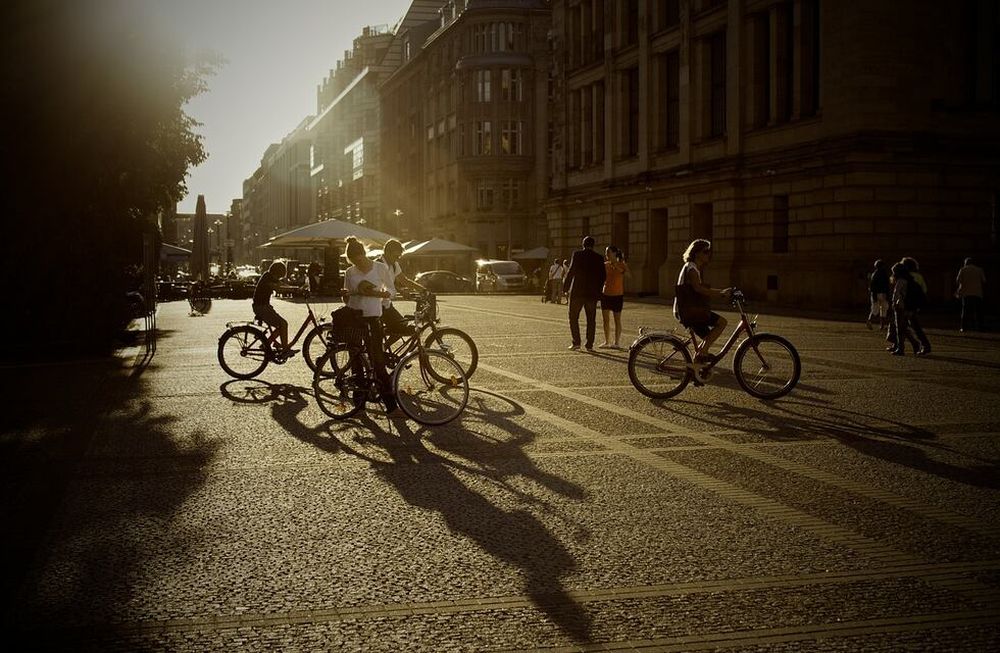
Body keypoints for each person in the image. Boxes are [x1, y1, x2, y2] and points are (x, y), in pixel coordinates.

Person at [342, 237, 396, 412]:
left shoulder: (380, 268)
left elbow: (392, 290)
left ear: (364, 254)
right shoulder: (350, 272)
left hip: (373, 318)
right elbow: (346, 297)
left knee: (378, 361)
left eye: (360, 259)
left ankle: (391, 407)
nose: (359, 264)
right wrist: (350, 293)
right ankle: (359, 405)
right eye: (354, 261)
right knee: (356, 361)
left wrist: (383, 295)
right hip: (354, 319)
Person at [673, 239, 732, 363]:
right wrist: (721, 293)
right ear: (696, 253)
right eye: (705, 251)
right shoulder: (692, 269)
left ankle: (698, 360)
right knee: (722, 323)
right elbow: (698, 289)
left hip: (688, 309)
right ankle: (702, 353)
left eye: (709, 251)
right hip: (688, 310)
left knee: (708, 337)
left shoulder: (691, 267)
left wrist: (721, 291)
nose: (708, 254)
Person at [563, 236, 606, 351]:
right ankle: (589, 344)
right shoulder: (599, 257)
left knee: (573, 317)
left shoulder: (577, 255)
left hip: (577, 292)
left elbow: (571, 272)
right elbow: (603, 276)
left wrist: (565, 287)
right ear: (593, 245)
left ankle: (576, 342)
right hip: (592, 294)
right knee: (591, 320)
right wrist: (599, 290)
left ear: (583, 244)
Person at [379, 239, 426, 340]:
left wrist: (422, 289)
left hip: (386, 304)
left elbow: (404, 280)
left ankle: (383, 348)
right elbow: (382, 284)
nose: (397, 259)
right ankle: (380, 350)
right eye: (395, 256)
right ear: (387, 252)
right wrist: (401, 291)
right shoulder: (377, 265)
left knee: (402, 326)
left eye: (399, 257)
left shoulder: (394, 265)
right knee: (401, 327)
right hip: (377, 305)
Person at [252, 260, 295, 356]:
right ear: (276, 272)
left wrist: (295, 288)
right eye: (279, 275)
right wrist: (294, 290)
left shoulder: (269, 276)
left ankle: (267, 343)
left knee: (281, 326)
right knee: (283, 324)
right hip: (261, 307)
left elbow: (281, 284)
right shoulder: (267, 277)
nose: (279, 278)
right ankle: (285, 350)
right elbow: (278, 288)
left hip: (263, 307)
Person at [599, 245, 630, 349]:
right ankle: (607, 341)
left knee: (617, 320)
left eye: (608, 252)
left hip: (617, 295)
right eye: (606, 252)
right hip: (606, 294)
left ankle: (616, 342)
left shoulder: (622, 264)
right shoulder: (604, 265)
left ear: (614, 253)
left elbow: (629, 276)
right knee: (605, 320)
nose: (606, 254)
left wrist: (617, 267)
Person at [888, 262, 921, 356]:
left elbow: (896, 294)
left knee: (900, 328)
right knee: (904, 327)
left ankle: (901, 348)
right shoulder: (909, 280)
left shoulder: (900, 281)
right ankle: (914, 344)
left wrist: (894, 304)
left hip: (900, 307)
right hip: (907, 306)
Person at [901, 257, 931, 355]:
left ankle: (919, 344)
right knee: (914, 325)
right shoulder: (919, 276)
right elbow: (924, 290)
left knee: (903, 325)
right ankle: (923, 345)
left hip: (907, 304)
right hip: (915, 304)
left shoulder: (905, 276)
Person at [956, 256, 986, 332]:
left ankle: (963, 327)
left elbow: (958, 281)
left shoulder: (962, 269)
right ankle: (980, 327)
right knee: (978, 311)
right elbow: (984, 281)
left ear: (965, 263)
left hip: (966, 294)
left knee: (965, 311)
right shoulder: (979, 269)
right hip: (977, 293)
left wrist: (959, 291)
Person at [867, 259, 891, 331]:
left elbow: (872, 286)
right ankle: (882, 325)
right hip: (883, 293)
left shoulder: (874, 274)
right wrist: (888, 294)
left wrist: (873, 295)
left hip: (876, 293)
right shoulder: (885, 274)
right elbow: (887, 285)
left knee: (875, 309)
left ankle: (870, 320)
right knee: (883, 310)